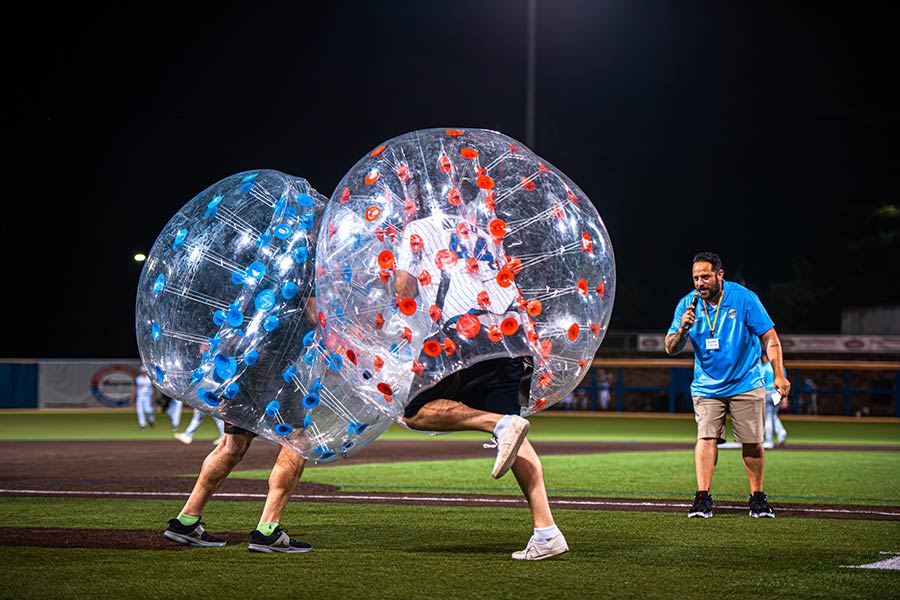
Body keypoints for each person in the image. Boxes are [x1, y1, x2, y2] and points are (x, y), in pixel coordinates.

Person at [393, 213, 568, 560]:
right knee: (514, 437)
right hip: (510, 331)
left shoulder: (419, 227)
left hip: (463, 329)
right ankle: (547, 532)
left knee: (413, 411)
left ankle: (499, 424)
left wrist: (388, 275)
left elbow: (405, 289)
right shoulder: (486, 230)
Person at [665, 252, 790, 519]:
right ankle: (702, 497)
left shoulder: (744, 298)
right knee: (706, 438)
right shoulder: (687, 304)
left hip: (746, 381)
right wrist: (682, 331)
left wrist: (779, 374)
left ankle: (757, 497)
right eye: (696, 277)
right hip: (707, 386)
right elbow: (670, 348)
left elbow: (771, 338)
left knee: (752, 441)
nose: (700, 283)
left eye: (706, 276)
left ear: (720, 275)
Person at [761, 352, 787, 449]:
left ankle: (769, 441)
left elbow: (761, 382)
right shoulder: (780, 367)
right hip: (778, 393)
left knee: (767, 417)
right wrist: (785, 398)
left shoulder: (764, 367)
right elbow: (785, 383)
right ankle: (781, 432)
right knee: (773, 415)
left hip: (768, 392)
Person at [133, 365, 155, 430]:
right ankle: (142, 425)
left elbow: (154, 389)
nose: (144, 372)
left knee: (148, 410)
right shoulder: (138, 379)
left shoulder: (150, 379)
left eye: (145, 371)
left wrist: (153, 397)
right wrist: (133, 396)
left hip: (148, 396)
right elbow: (135, 388)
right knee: (140, 411)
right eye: (143, 371)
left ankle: (151, 420)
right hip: (140, 396)